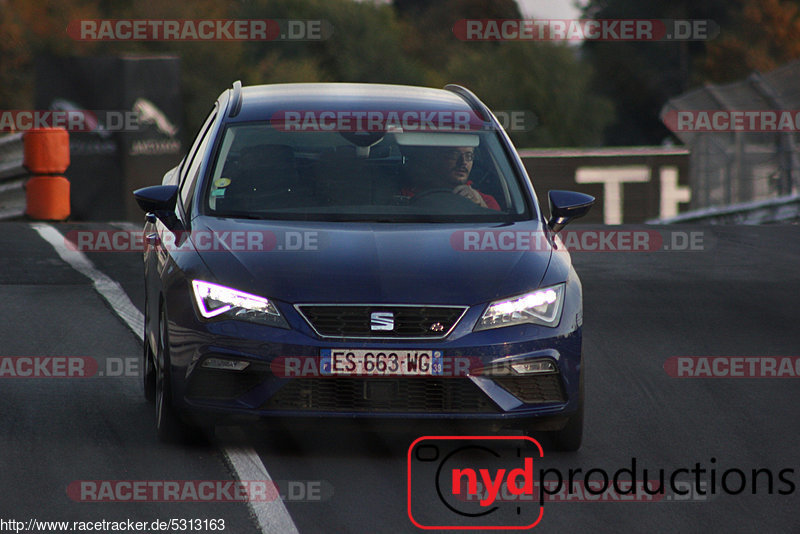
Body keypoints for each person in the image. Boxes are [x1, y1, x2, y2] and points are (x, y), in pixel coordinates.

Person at [401, 145, 500, 210]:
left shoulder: (485, 201)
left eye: (469, 156)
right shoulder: (406, 197)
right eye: (453, 155)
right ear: (435, 159)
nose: (463, 162)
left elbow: (495, 231)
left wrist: (480, 207)